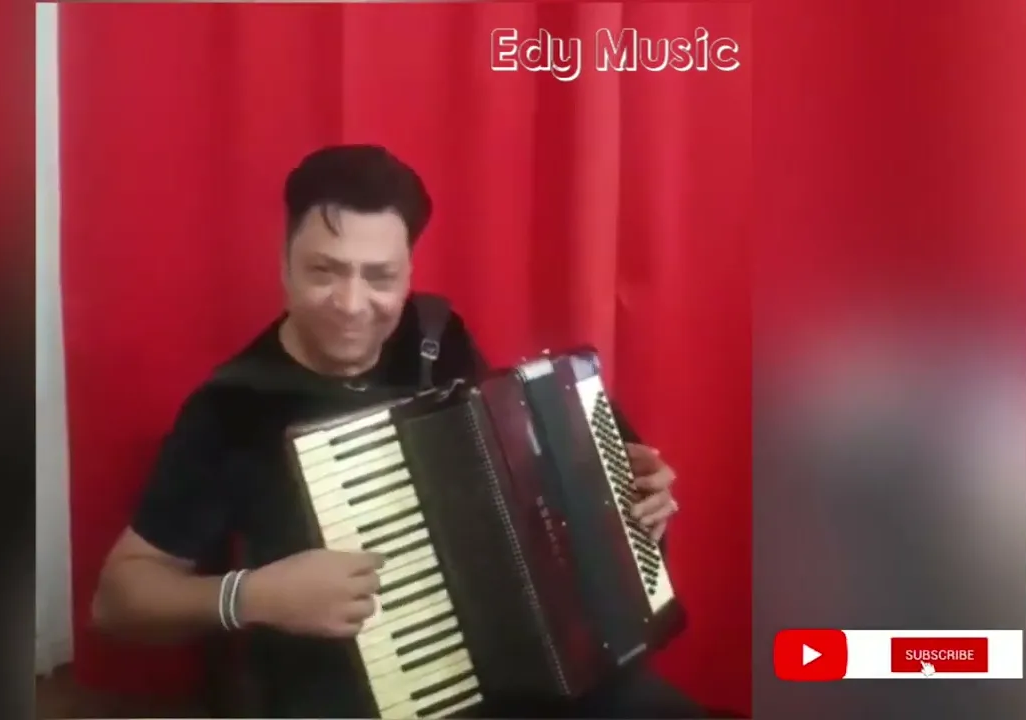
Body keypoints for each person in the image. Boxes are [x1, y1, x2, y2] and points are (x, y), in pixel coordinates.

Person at [92, 145, 703, 719]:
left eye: (379, 277)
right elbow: (117, 599)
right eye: (324, 271)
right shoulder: (233, 409)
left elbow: (514, 493)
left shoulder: (436, 340)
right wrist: (252, 595)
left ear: (409, 271)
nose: (351, 303)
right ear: (283, 263)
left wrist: (620, 495)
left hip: (508, 675)